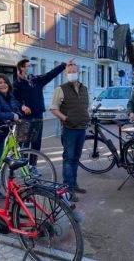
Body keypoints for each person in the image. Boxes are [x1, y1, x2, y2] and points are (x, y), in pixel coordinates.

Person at [13, 58, 69, 174]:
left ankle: (33, 166)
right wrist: (22, 106)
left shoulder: (36, 80)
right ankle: (23, 167)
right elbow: (13, 100)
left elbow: (50, 74)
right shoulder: (17, 83)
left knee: (36, 142)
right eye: (28, 66)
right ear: (22, 68)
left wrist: (63, 65)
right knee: (24, 142)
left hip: (38, 115)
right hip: (25, 117)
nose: (30, 68)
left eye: (31, 66)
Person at [50, 61, 89, 202]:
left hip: (81, 128)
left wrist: (86, 117)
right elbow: (54, 108)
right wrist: (66, 119)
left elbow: (85, 106)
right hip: (69, 129)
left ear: (79, 73)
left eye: (74, 71)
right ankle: (68, 188)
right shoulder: (60, 89)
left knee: (76, 158)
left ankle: (74, 183)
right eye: (69, 72)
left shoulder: (84, 88)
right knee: (69, 158)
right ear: (66, 74)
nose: (72, 74)